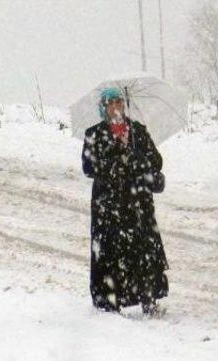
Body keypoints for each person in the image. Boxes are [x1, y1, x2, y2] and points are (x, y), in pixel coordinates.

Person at [82, 87, 169, 316]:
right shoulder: (94, 134)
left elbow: (156, 161)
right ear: (103, 108)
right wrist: (113, 161)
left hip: (137, 203)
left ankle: (148, 299)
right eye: (110, 103)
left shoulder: (138, 131)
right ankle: (111, 303)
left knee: (142, 252)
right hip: (108, 207)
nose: (116, 107)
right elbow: (89, 167)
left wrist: (136, 159)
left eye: (119, 102)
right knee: (111, 255)